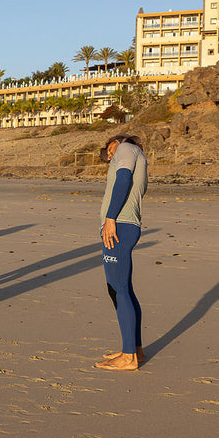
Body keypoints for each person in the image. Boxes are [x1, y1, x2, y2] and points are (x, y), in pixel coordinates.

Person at [95, 133, 148, 371]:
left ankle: (129, 357)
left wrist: (110, 218)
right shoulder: (133, 154)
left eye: (109, 149)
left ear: (117, 140)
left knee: (118, 288)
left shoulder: (126, 148)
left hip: (120, 226)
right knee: (123, 288)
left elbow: (123, 179)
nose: (109, 154)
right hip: (123, 226)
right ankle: (133, 349)